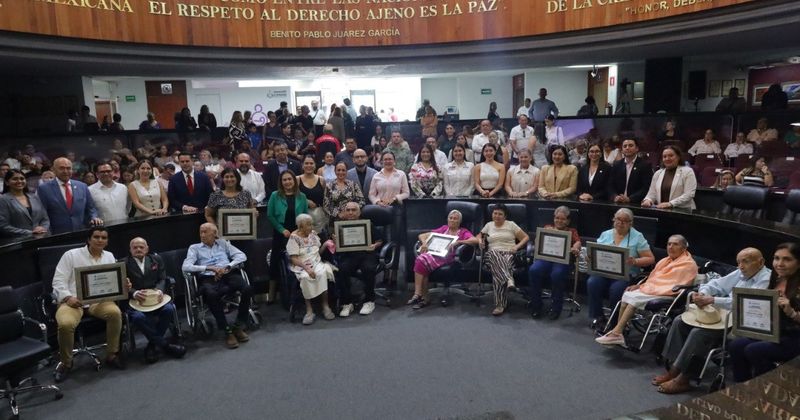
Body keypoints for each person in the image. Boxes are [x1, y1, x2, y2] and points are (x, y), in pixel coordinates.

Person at [655, 247, 770, 394]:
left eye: (745, 262)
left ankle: (684, 377)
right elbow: (716, 284)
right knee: (679, 321)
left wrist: (712, 299)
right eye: (739, 262)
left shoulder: (766, 279)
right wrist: (702, 293)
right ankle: (673, 368)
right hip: (722, 314)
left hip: (741, 320)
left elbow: (743, 302)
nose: (741, 266)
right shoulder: (741, 271)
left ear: (761, 262)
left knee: (699, 332)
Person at [596, 235, 698, 346]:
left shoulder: (688, 264)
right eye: (669, 244)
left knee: (634, 299)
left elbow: (675, 284)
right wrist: (640, 286)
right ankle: (619, 332)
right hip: (655, 289)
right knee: (627, 295)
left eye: (675, 244)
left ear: (683, 248)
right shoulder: (665, 261)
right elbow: (654, 279)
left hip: (669, 293)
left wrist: (652, 288)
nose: (671, 247)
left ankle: (616, 333)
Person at [51, 227, 124, 382]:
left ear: (107, 241)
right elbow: (58, 281)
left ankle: (112, 354)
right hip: (71, 302)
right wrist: (67, 297)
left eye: (104, 238)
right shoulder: (70, 255)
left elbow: (112, 281)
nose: (100, 240)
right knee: (65, 324)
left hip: (98, 302)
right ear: (89, 239)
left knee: (115, 313)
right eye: (96, 237)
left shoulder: (109, 256)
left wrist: (124, 286)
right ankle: (66, 362)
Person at [730, 243, 800, 382]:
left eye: (787, 259)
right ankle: (742, 388)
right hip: (773, 332)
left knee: (754, 350)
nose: (780, 263)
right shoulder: (776, 279)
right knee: (736, 345)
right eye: (776, 258)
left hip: (794, 337)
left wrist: (792, 312)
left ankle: (766, 392)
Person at [182, 223, 252, 349]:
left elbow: (242, 256)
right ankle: (227, 330)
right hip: (208, 277)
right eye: (201, 232)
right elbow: (185, 266)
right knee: (211, 294)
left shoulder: (223, 243)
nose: (202, 235)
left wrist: (228, 266)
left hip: (227, 273)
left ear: (214, 234)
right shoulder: (194, 248)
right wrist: (209, 268)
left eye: (205, 232)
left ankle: (238, 325)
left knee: (246, 288)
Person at [586, 208, 655, 326]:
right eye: (618, 219)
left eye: (625, 221)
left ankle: (615, 321)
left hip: (625, 274)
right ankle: (598, 316)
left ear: (630, 223)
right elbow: (595, 252)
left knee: (616, 290)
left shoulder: (637, 237)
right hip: (604, 271)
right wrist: (591, 258)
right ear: (614, 219)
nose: (621, 223)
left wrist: (635, 261)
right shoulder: (606, 234)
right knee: (592, 283)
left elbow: (650, 259)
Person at [125, 237, 185, 363]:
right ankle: (165, 346)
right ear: (130, 250)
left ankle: (152, 345)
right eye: (135, 247)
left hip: (155, 298)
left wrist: (159, 290)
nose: (138, 249)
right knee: (138, 318)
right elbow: (121, 285)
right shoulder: (124, 263)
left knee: (169, 309)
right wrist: (133, 292)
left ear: (147, 249)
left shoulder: (156, 259)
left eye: (141, 247)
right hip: (136, 301)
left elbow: (163, 278)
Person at [408, 209, 477, 309]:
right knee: (422, 261)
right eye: (450, 218)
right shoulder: (443, 229)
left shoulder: (463, 232)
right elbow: (422, 235)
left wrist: (459, 242)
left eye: (455, 219)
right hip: (433, 255)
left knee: (421, 260)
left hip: (449, 258)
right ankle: (420, 296)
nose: (452, 220)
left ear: (459, 221)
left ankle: (419, 295)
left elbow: (475, 240)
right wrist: (424, 243)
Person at [527, 206, 581, 320]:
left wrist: (575, 248)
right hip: (545, 258)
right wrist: (539, 238)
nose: (559, 221)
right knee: (534, 270)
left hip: (562, 261)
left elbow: (578, 243)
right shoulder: (547, 227)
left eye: (563, 219)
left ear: (568, 221)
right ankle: (536, 304)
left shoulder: (572, 231)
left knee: (556, 275)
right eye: (557, 218)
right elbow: (537, 241)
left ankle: (556, 307)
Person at [476, 203, 530, 316]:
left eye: (500, 214)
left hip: (508, 253)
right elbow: (479, 236)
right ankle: (509, 279)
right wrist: (480, 241)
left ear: (505, 216)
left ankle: (500, 305)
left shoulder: (511, 225)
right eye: (495, 213)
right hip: (491, 254)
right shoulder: (489, 225)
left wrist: (516, 246)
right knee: (494, 254)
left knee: (498, 271)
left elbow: (526, 237)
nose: (497, 216)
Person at [332, 202, 384, 316]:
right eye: (348, 210)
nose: (351, 212)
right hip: (349, 255)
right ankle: (347, 303)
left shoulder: (367, 224)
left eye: (354, 210)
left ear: (359, 212)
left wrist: (374, 246)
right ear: (344, 212)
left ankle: (369, 301)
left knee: (368, 269)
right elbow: (335, 248)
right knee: (342, 269)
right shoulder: (340, 226)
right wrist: (336, 242)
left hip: (366, 254)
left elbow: (380, 240)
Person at [267, 170, 308, 304]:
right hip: (281, 234)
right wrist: (282, 229)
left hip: (298, 234)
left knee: (298, 260)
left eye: (289, 179)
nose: (287, 182)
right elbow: (270, 215)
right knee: (275, 262)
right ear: (281, 182)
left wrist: (298, 231)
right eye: (284, 180)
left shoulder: (302, 196)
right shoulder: (275, 195)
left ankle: (301, 292)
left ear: (294, 181)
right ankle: (272, 294)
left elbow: (305, 217)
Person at [287, 213, 336, 325]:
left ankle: (325, 306)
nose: (311, 227)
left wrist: (326, 245)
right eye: (308, 225)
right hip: (301, 265)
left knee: (322, 272)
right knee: (305, 277)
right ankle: (309, 310)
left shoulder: (313, 234)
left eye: (311, 224)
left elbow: (317, 253)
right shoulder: (294, 238)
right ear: (300, 226)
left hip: (316, 262)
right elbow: (293, 259)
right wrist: (307, 269)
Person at [37, 157, 102, 234]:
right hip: (57, 235)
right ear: (53, 170)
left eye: (68, 168)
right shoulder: (44, 188)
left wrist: (94, 217)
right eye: (62, 168)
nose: (65, 171)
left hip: (82, 232)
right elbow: (43, 213)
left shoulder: (82, 186)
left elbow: (91, 208)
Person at [642, 146, 697, 210]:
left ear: (678, 157)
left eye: (671, 156)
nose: (667, 158)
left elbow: (689, 194)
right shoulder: (658, 173)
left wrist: (670, 203)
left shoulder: (688, 171)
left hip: (684, 210)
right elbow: (652, 193)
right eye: (664, 156)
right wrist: (648, 200)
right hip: (662, 211)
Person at [0, 169, 49, 236]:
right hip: (17, 243)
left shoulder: (34, 197)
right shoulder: (3, 200)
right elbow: (3, 226)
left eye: (22, 178)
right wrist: (30, 233)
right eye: (15, 179)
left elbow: (45, 218)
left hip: (40, 239)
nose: (19, 181)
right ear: (7, 182)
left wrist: (42, 228)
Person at [609, 138, 653, 205]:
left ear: (637, 148)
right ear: (622, 150)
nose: (627, 148)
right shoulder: (616, 165)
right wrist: (615, 196)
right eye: (625, 146)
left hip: (636, 203)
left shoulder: (645, 165)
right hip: (617, 203)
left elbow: (646, 187)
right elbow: (610, 185)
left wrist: (630, 199)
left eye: (630, 145)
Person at [296, 155, 327, 232]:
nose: (309, 165)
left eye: (311, 163)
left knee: (319, 238)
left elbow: (326, 198)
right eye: (306, 163)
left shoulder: (321, 180)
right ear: (302, 165)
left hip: (319, 216)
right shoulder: (297, 179)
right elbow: (293, 196)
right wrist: (305, 200)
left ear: (315, 165)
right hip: (302, 215)